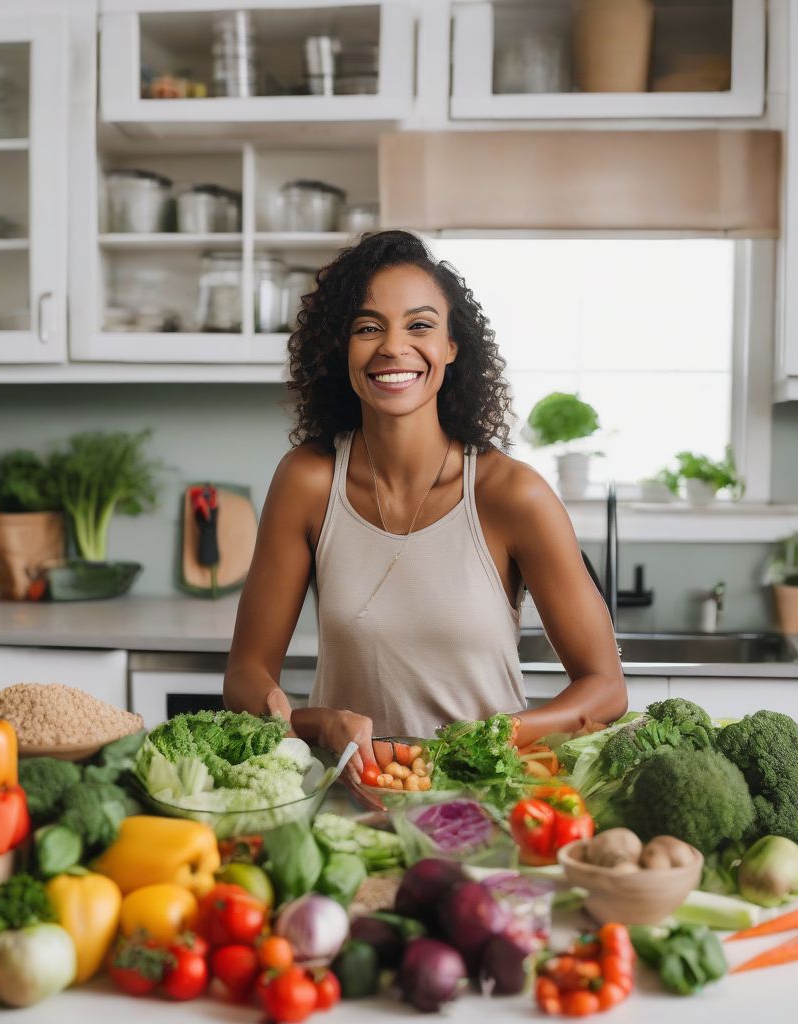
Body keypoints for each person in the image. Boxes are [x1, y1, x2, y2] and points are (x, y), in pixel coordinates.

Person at [224, 230, 627, 780]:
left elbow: (606, 688)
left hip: (486, 799)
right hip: (349, 797)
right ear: (340, 348)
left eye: (419, 325)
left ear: (451, 347)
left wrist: (496, 735)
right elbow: (245, 674)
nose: (393, 347)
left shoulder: (512, 495)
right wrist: (316, 722)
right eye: (368, 327)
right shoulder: (309, 482)